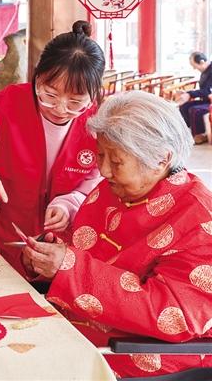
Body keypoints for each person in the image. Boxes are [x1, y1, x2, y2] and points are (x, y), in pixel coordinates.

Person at [22, 91, 212, 379]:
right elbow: (81, 249)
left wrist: (68, 268)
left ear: (161, 159)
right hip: (75, 330)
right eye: (100, 155)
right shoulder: (111, 190)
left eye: (116, 161)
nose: (104, 170)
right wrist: (47, 258)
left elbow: (173, 314)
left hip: (135, 357)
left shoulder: (199, 220)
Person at [0, 21, 105, 274]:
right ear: (37, 77)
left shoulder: (96, 122)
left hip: (59, 250)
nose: (60, 109)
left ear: (93, 95)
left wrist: (69, 203)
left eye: (75, 102)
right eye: (50, 95)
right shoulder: (4, 106)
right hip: (1, 240)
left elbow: (95, 183)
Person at [176, 51, 211, 144]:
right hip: (206, 100)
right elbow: (204, 91)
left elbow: (209, 91)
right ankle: (186, 132)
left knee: (195, 110)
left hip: (210, 101)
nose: (194, 68)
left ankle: (200, 135)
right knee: (184, 106)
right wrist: (187, 93)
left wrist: (190, 94)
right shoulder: (205, 72)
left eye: (194, 66)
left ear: (202, 62)